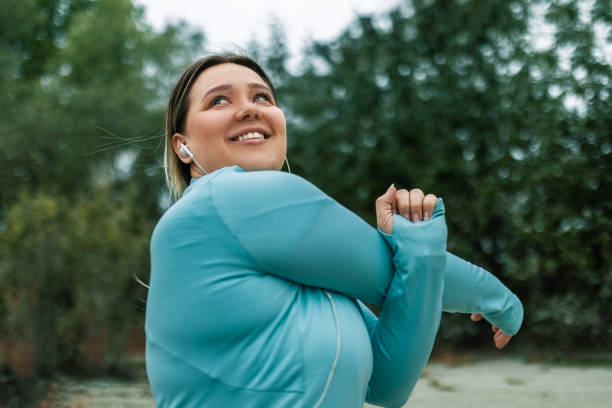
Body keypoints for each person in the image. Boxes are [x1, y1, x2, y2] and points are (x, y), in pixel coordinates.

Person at [145, 54, 523, 408]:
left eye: (262, 96)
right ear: (182, 147)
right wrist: (503, 302)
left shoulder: (299, 263)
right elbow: (390, 272)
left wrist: (419, 245)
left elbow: (387, 384)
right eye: (219, 102)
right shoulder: (224, 197)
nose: (250, 108)